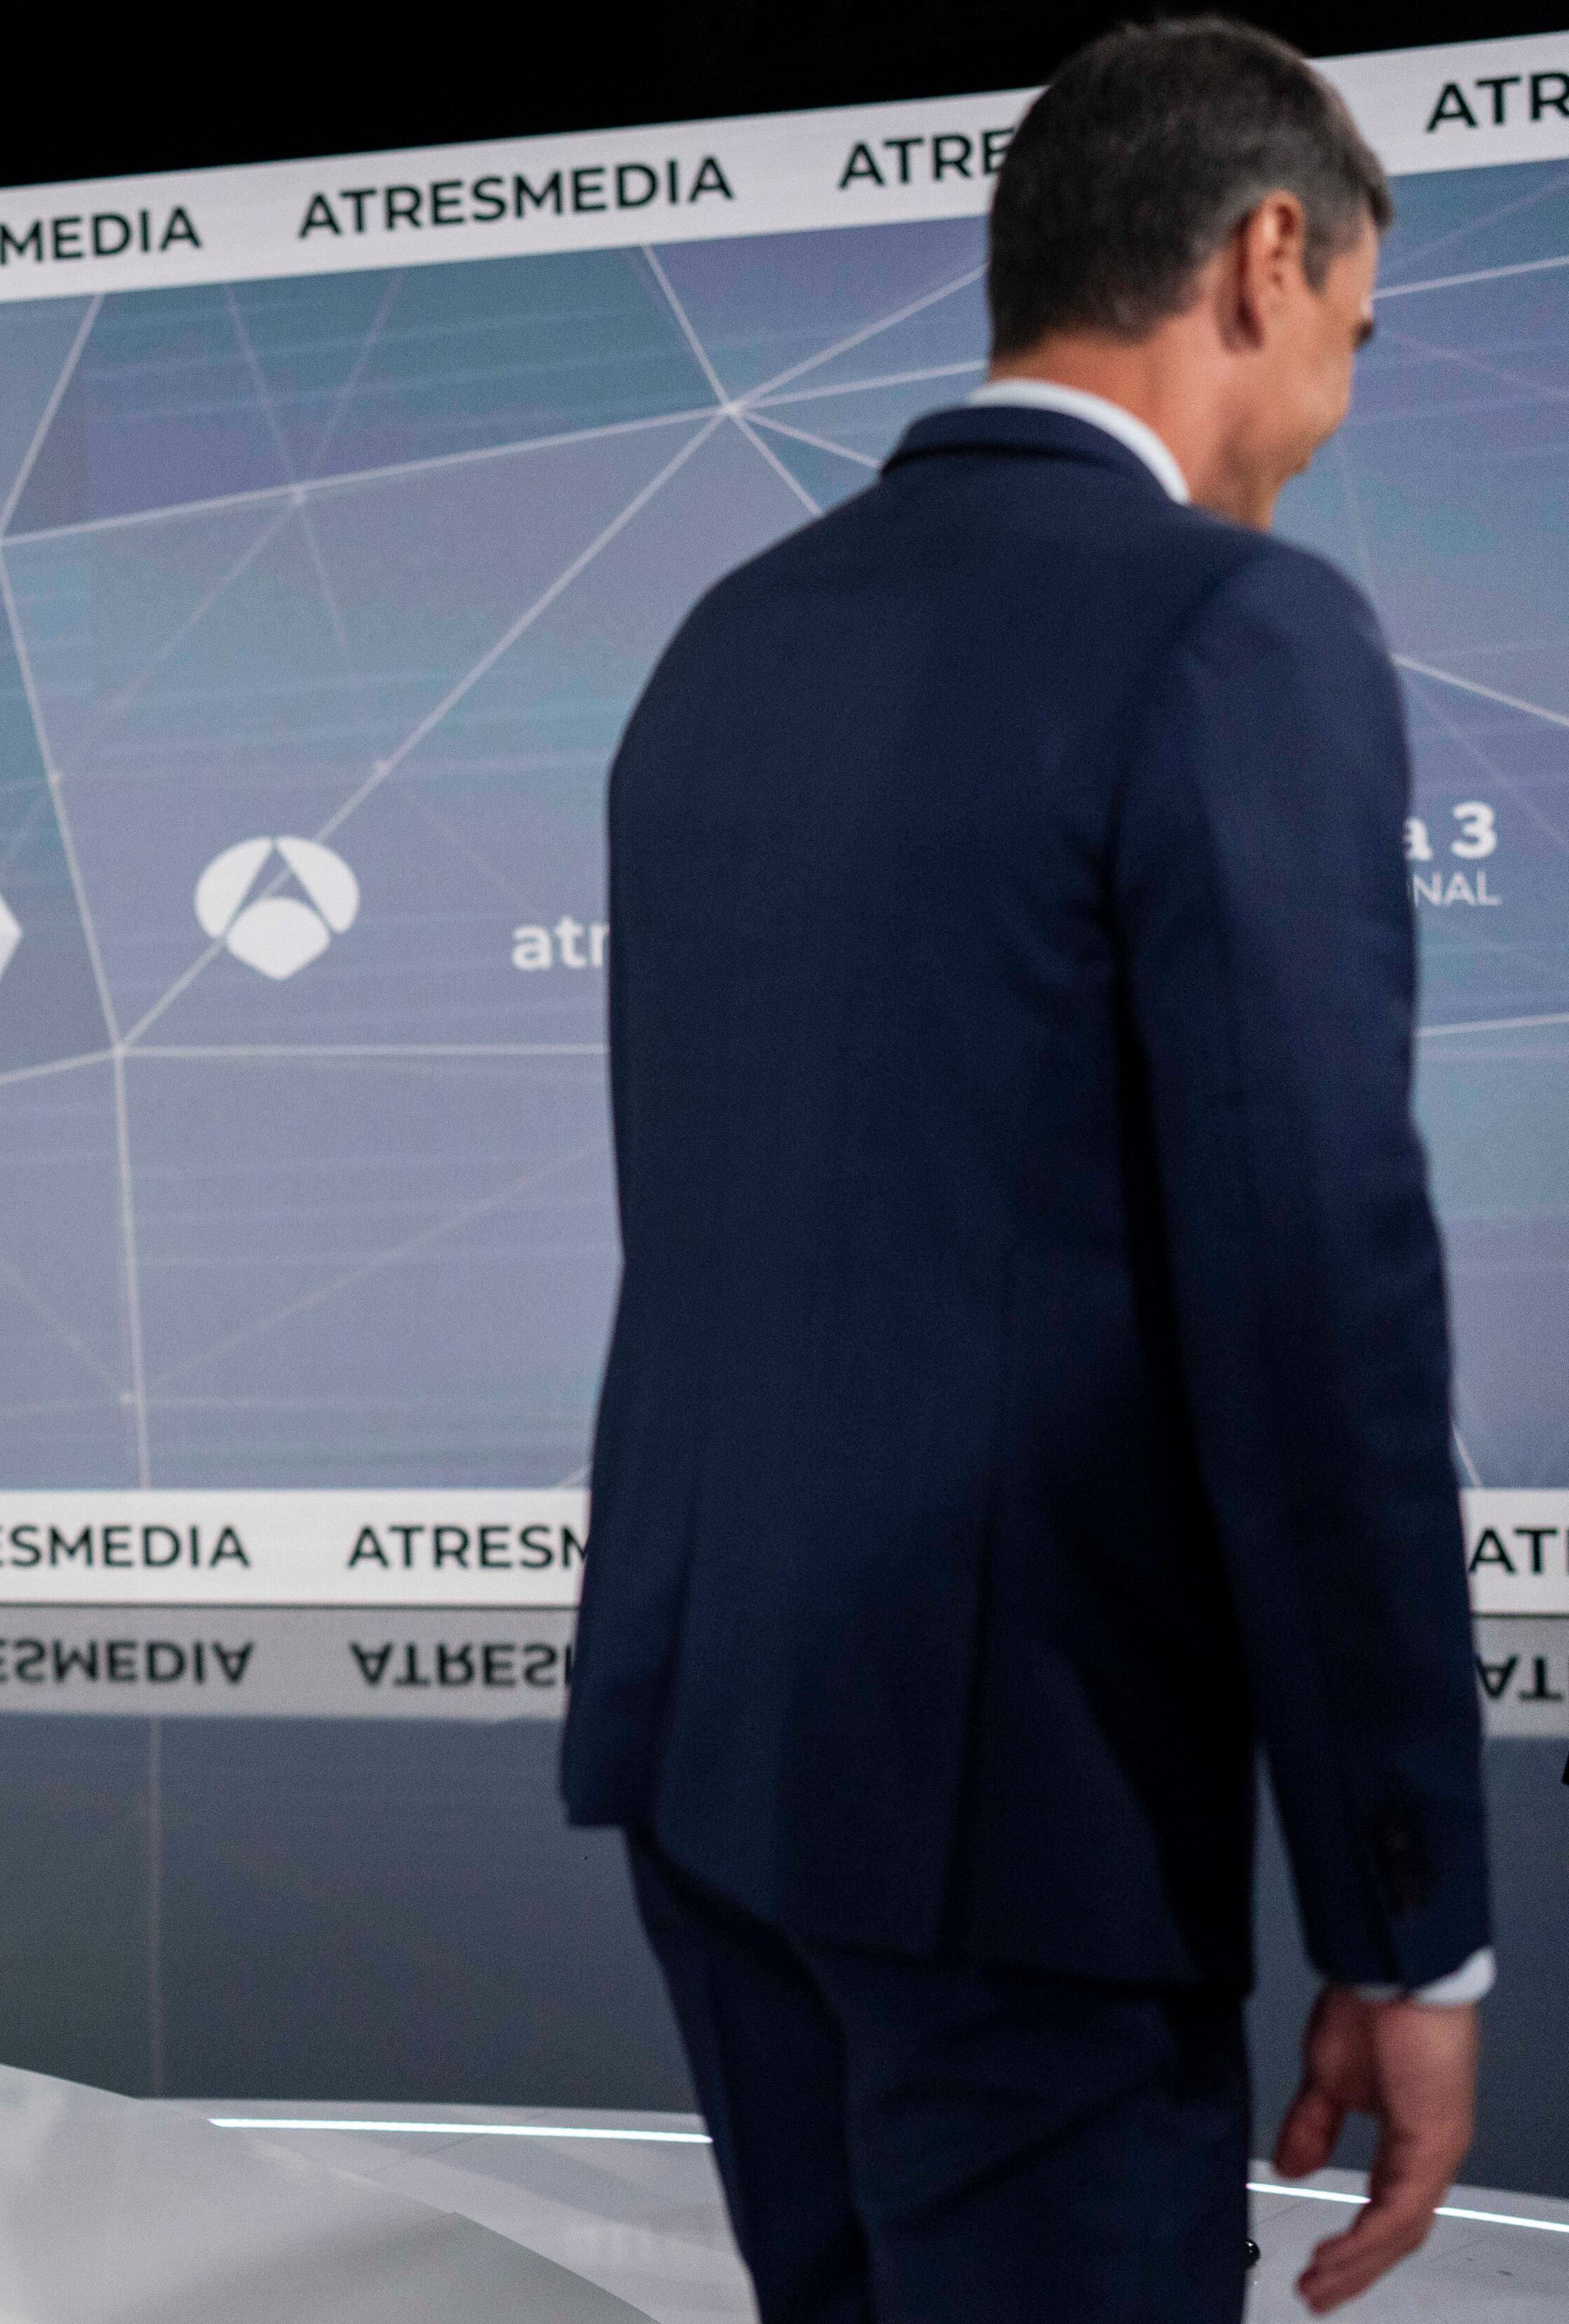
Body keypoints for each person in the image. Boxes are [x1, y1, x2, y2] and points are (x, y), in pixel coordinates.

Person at [561, 22, 1490, 2321]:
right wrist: (1407, 1913)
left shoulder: (728, 640)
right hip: (1015, 1822)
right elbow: (1317, 1318)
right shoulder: (1234, 632)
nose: (1336, 412)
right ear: (1270, 257)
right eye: (1353, 339)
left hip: (716, 1772)